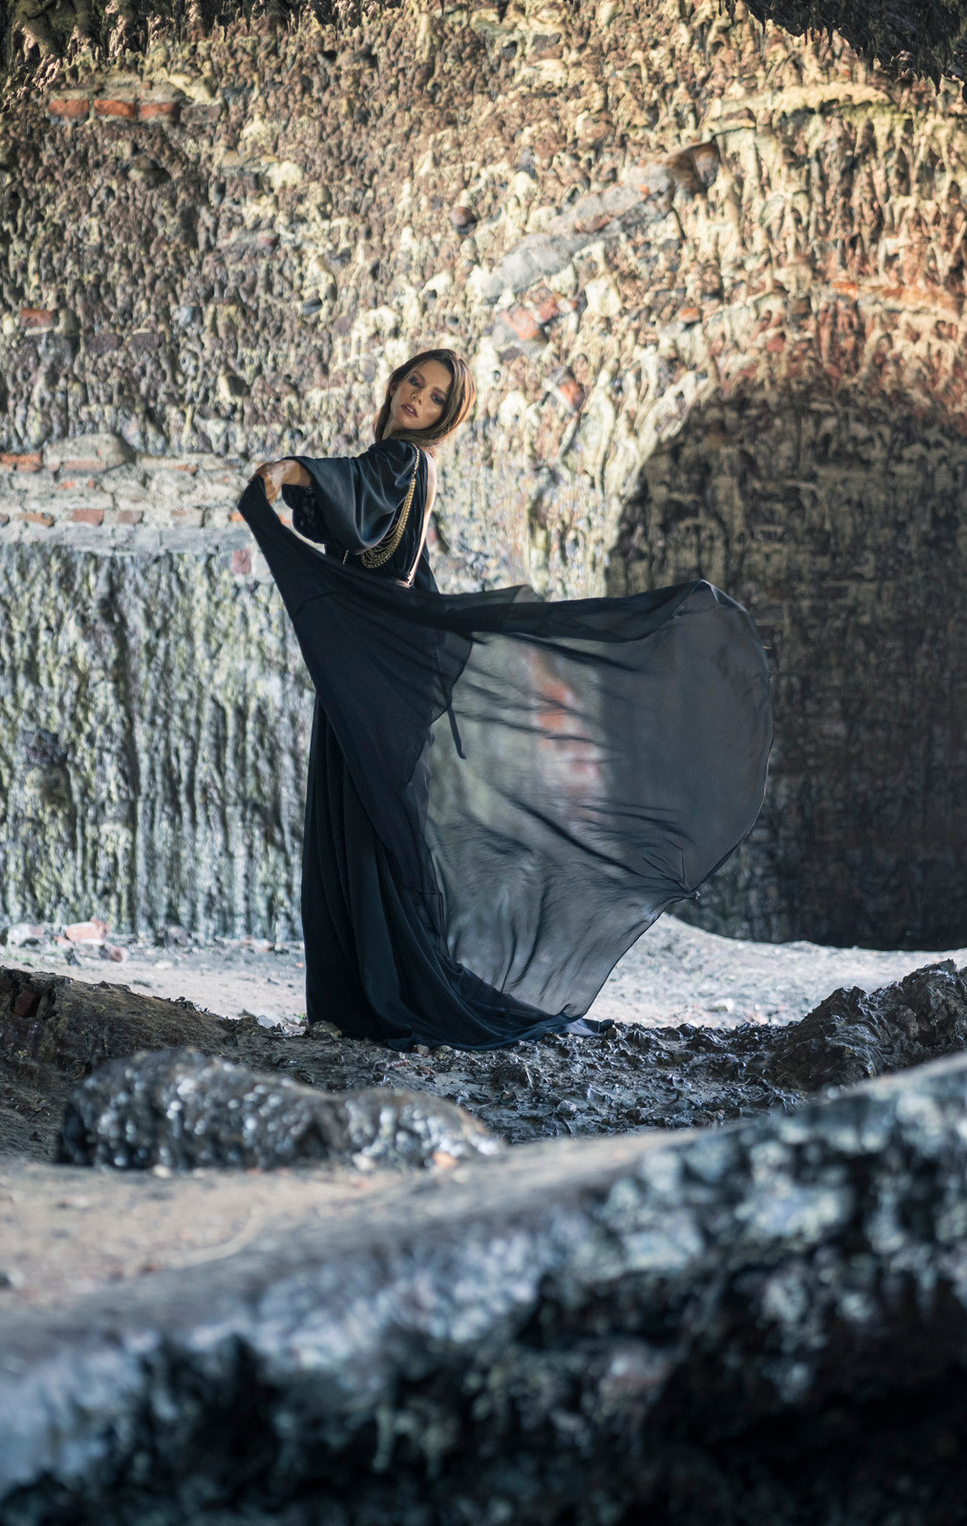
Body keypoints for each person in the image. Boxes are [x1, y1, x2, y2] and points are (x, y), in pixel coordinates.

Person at [245, 349, 774, 1050]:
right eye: (414, 383)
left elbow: (356, 487)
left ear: (445, 416)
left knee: (371, 836)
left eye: (435, 397)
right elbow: (346, 521)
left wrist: (291, 470)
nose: (417, 399)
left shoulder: (401, 462)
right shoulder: (391, 470)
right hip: (379, 677)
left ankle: (379, 999)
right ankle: (361, 1001)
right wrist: (302, 492)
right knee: (362, 830)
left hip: (386, 680)